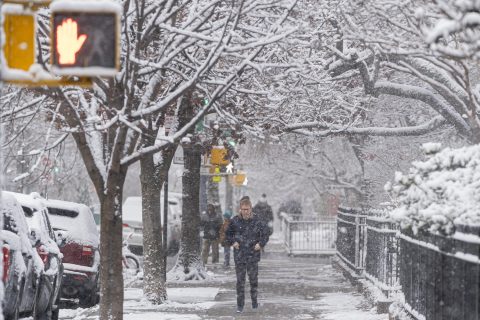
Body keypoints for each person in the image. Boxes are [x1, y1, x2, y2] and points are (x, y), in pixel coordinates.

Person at [226, 196, 269, 313]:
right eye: (243, 209)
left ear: (251, 209)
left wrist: (260, 244)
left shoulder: (258, 220)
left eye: (247, 209)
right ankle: (240, 305)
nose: (245, 211)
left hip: (253, 255)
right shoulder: (235, 221)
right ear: (240, 209)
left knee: (253, 280)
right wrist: (233, 242)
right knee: (240, 281)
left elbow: (266, 234)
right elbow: (227, 234)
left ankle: (254, 302)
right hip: (239, 255)